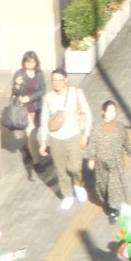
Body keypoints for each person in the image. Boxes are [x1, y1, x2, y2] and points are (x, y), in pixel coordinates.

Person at [36, 65, 93, 209]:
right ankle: (67, 195)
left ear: (65, 80)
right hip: (56, 139)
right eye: (54, 80)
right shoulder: (48, 98)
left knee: (75, 167)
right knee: (61, 169)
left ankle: (78, 184)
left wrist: (86, 133)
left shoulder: (76, 93)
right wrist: (43, 141)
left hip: (74, 135)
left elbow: (87, 112)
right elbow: (43, 120)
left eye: (59, 80)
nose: (56, 83)